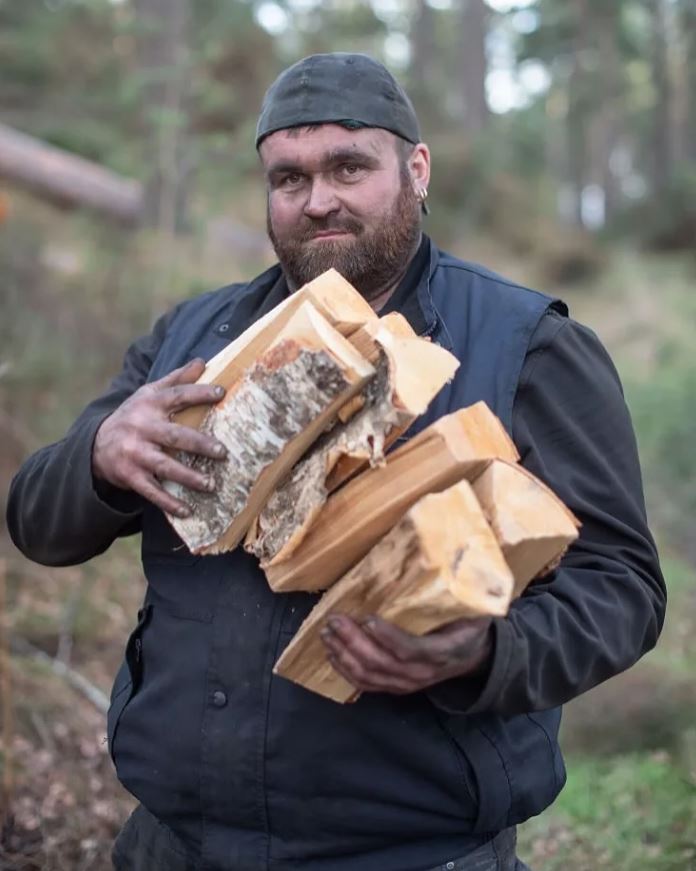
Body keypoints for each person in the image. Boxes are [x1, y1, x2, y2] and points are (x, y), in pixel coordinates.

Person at [7, 53, 665, 871]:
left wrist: (488, 652)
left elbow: (621, 586)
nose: (318, 199)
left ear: (417, 170)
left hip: (411, 851)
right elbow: (37, 523)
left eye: (348, 167)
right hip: (174, 844)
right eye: (289, 178)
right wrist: (99, 457)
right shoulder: (193, 338)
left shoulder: (528, 343)